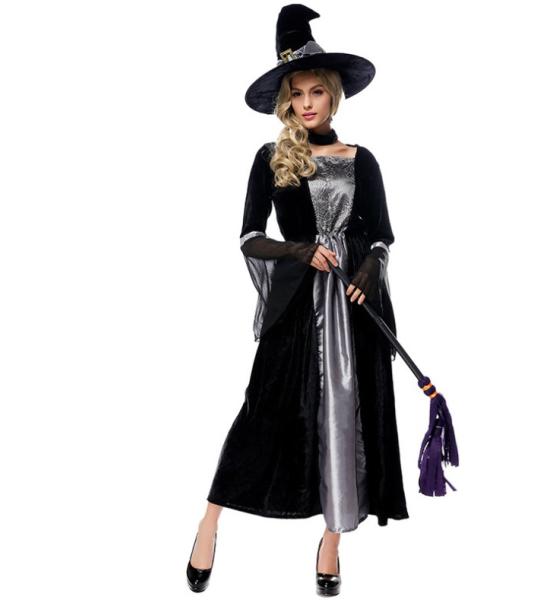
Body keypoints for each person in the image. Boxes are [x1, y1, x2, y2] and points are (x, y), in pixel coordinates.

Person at [186, 4, 408, 595]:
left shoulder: (362, 159)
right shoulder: (271, 158)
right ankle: (209, 521)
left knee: (352, 417)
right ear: (286, 102)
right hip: (298, 309)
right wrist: (301, 251)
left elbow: (382, 235)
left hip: (355, 310)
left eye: (317, 91)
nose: (307, 103)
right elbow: (248, 237)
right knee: (261, 413)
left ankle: (332, 541)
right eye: (297, 94)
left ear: (334, 95)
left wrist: (368, 268)